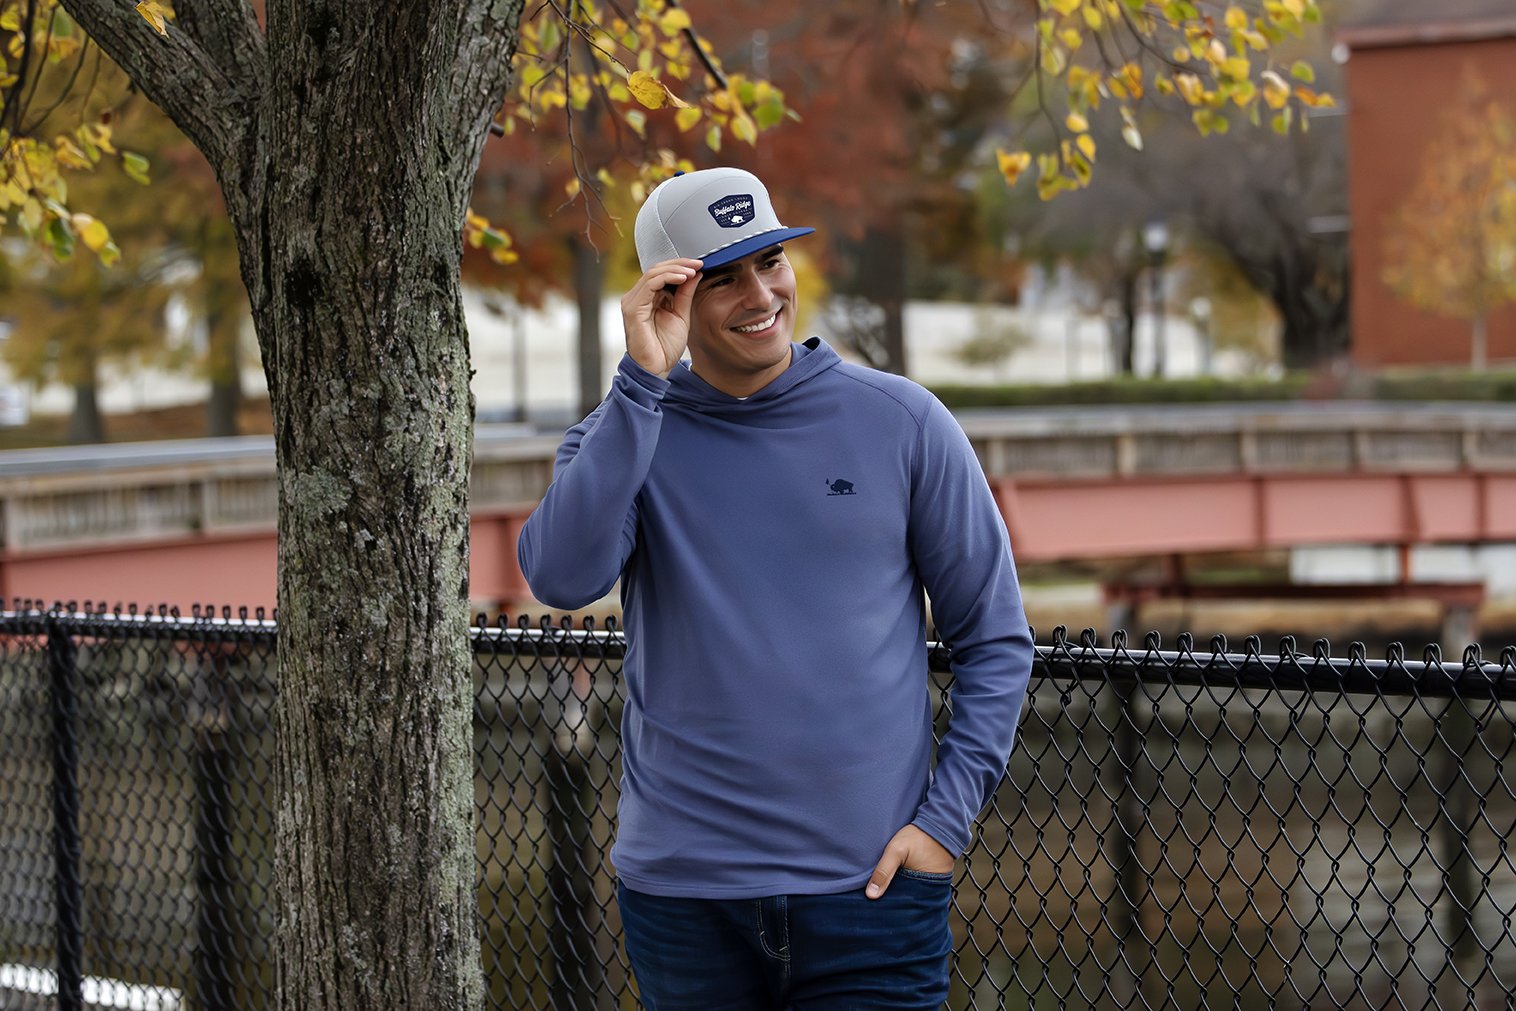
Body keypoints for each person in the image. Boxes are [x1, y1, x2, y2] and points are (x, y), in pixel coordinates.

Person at [518, 167, 1033, 1009]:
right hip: (685, 901)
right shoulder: (623, 434)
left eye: (771, 261)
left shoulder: (905, 422)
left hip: (871, 893)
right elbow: (562, 577)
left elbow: (995, 640)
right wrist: (641, 383)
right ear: (669, 296)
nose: (761, 295)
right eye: (723, 278)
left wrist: (943, 824)